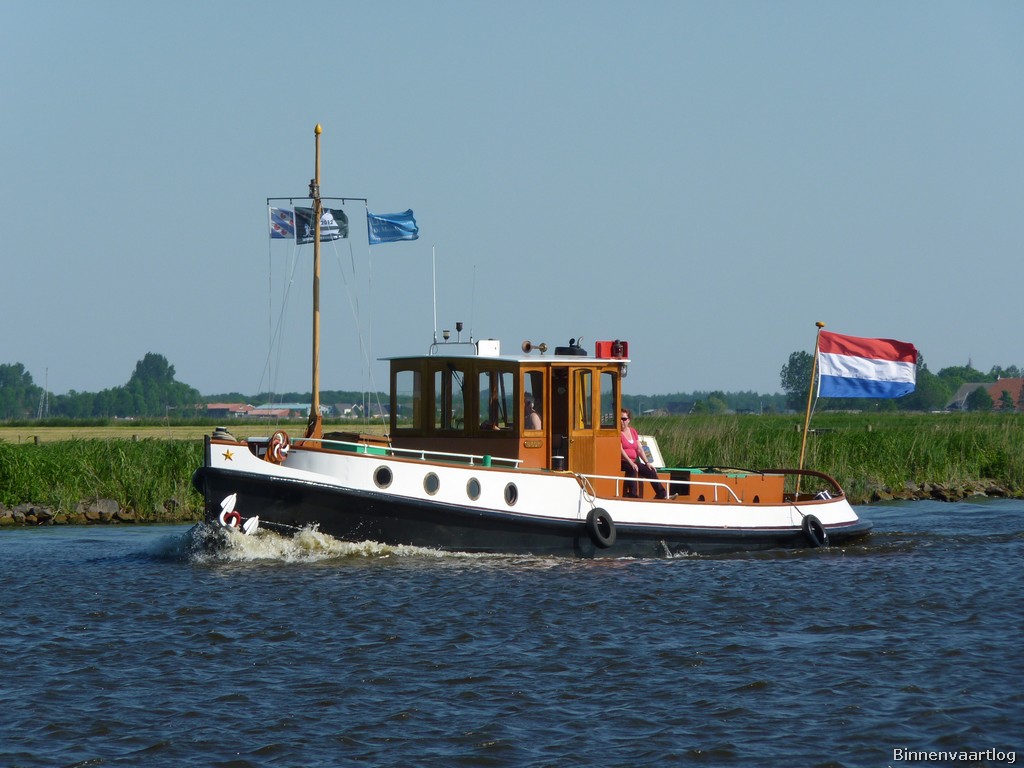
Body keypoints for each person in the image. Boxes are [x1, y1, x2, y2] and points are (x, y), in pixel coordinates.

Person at [620, 408, 669, 499]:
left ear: (629, 420)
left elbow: (639, 449)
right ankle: (633, 496)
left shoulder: (633, 431)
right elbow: (621, 450)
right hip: (622, 462)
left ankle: (661, 494)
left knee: (650, 470)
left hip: (633, 461)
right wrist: (631, 463)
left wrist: (647, 462)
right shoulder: (618, 433)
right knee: (632, 468)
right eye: (619, 419)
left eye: (624, 419)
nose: (621, 421)